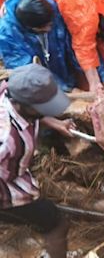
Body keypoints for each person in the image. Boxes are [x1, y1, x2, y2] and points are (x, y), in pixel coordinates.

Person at [0, 63, 72, 258]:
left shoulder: (8, 91)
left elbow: (34, 115)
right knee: (56, 223)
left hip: (11, 169)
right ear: (23, 104)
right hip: (6, 186)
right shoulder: (6, 139)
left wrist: (56, 124)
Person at [0, 0, 104, 92]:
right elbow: (29, 72)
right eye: (45, 27)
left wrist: (99, 77)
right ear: (30, 28)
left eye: (51, 24)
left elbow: (76, 43)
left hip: (65, 73)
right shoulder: (8, 35)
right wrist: (67, 89)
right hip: (40, 90)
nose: (50, 28)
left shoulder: (50, 8)